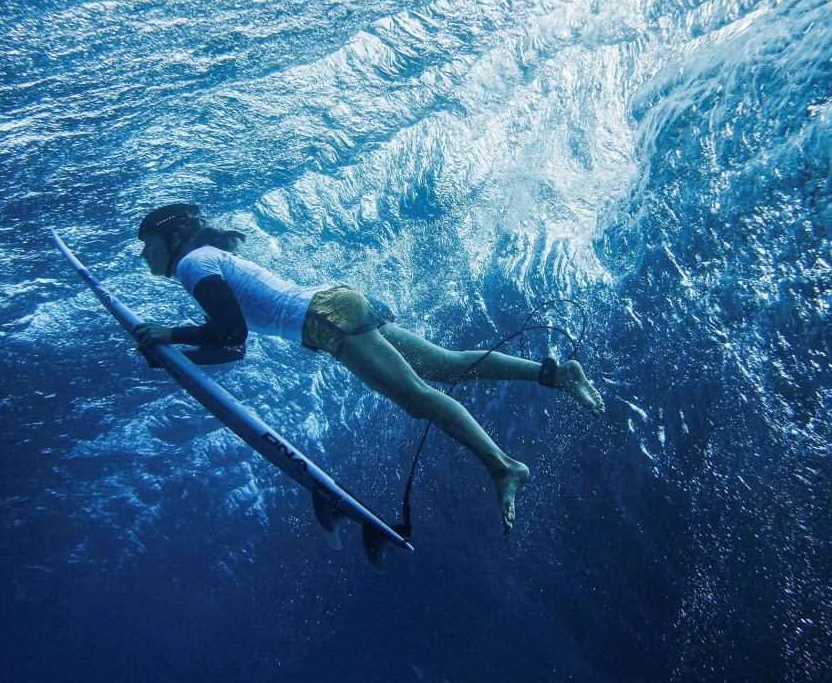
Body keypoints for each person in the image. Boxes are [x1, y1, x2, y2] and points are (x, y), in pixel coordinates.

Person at [129, 203, 604, 533]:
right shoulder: (205, 259)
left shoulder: (191, 263)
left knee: (419, 398)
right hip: (337, 304)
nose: (144, 253)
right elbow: (233, 349)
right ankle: (556, 374)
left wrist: (169, 335)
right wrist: (177, 356)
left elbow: (231, 333)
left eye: (147, 243)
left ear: (171, 238)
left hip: (326, 320)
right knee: (445, 364)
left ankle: (505, 468)